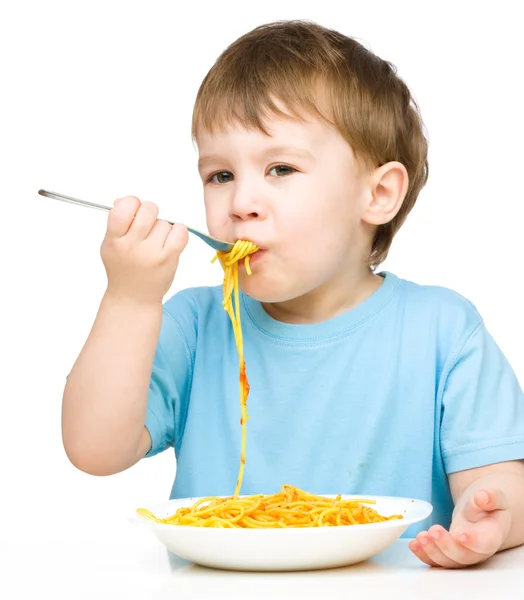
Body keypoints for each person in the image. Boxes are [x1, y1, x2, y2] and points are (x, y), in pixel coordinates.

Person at [61, 20, 524, 568]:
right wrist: (129, 300)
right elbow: (94, 450)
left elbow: (498, 483)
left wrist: (488, 518)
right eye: (220, 174)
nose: (240, 203)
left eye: (280, 168)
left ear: (377, 194)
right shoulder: (193, 324)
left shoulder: (443, 329)